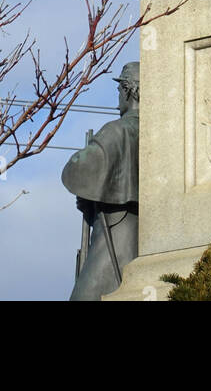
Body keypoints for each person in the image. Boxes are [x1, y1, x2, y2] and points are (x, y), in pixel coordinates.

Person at [61, 62, 140, 301]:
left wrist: (90, 191)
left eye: (119, 90)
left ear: (127, 90)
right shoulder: (162, 132)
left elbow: (75, 170)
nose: (118, 97)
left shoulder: (116, 131)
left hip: (113, 232)